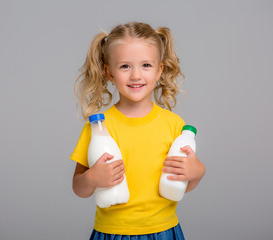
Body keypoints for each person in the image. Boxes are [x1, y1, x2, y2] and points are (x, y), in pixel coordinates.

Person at [70, 22, 205, 240]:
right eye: (125, 66)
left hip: (163, 231)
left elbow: (181, 185)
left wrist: (197, 172)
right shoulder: (98, 127)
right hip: (113, 233)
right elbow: (78, 187)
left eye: (146, 65)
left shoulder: (174, 125)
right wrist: (93, 178)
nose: (135, 75)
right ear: (109, 72)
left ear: (159, 70)